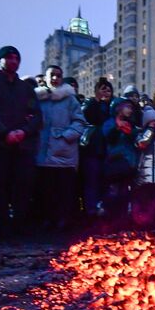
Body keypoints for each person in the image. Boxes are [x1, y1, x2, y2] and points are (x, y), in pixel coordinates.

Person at [0, 46, 42, 234]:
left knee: (21, 187)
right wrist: (4, 132)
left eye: (16, 58)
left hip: (22, 146)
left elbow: (37, 115)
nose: (13, 61)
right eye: (8, 58)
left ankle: (18, 226)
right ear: (0, 60)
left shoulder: (25, 88)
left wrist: (24, 131)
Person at [34, 65, 87, 230]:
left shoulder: (70, 99)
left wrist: (65, 136)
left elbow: (79, 122)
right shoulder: (38, 99)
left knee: (64, 191)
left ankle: (62, 220)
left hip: (64, 153)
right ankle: (47, 220)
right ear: (46, 78)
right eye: (52, 75)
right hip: (42, 153)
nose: (55, 78)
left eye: (58, 75)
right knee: (45, 190)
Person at [80, 78, 113, 219]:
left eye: (109, 90)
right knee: (91, 183)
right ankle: (91, 213)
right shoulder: (90, 104)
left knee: (105, 184)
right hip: (92, 151)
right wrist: (99, 102)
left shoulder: (113, 107)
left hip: (108, 152)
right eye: (103, 89)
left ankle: (104, 213)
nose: (106, 92)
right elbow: (89, 116)